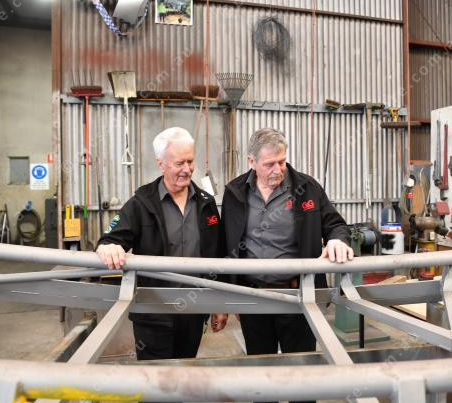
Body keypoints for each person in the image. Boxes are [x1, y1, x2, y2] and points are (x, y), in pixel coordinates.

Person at [222, 127, 354, 360]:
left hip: (298, 298)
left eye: (282, 162)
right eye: (269, 164)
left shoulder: (307, 188)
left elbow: (335, 224)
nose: (278, 170)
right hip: (252, 298)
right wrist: (228, 296)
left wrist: (337, 240)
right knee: (261, 368)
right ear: (251, 161)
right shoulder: (235, 192)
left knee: (301, 366)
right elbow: (225, 242)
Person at [96, 127, 227, 360]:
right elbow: (110, 238)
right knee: (154, 375)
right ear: (161, 164)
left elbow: (217, 255)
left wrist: (218, 303)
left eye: (190, 161)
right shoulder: (141, 203)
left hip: (194, 309)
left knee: (185, 369)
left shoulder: (206, 204)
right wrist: (108, 245)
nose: (187, 169)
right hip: (153, 312)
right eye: (179, 163)